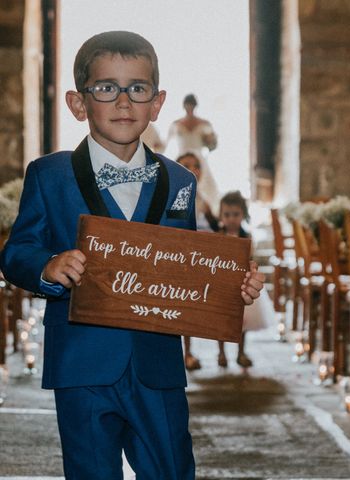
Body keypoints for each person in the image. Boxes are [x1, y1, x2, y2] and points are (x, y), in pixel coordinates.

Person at [0, 31, 264, 480]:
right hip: (81, 363)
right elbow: (16, 252)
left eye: (137, 89)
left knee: (172, 469)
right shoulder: (50, 175)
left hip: (157, 363)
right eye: (106, 88)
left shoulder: (180, 181)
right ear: (78, 103)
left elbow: (188, 264)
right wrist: (46, 267)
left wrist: (229, 286)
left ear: (156, 104)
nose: (123, 102)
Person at [217, 191, 274, 369]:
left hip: (242, 283)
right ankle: (222, 353)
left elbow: (249, 258)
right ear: (221, 215)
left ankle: (241, 352)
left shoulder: (247, 237)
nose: (231, 219)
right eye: (227, 214)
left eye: (236, 214)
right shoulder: (218, 236)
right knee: (221, 322)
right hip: (222, 284)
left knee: (243, 322)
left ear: (243, 214)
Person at [176, 151, 219, 371]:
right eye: (186, 165)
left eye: (196, 165)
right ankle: (187, 351)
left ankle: (221, 350)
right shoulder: (179, 195)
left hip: (204, 257)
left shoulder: (202, 197)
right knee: (185, 307)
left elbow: (213, 225)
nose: (193, 169)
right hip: (184, 258)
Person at [166, 94, 219, 215]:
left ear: (195, 106)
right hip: (183, 160)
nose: (189, 108)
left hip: (199, 160)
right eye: (187, 105)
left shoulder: (205, 123)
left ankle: (206, 215)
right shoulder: (176, 124)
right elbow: (164, 144)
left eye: (191, 105)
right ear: (184, 106)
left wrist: (210, 141)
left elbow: (212, 146)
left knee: (204, 187)